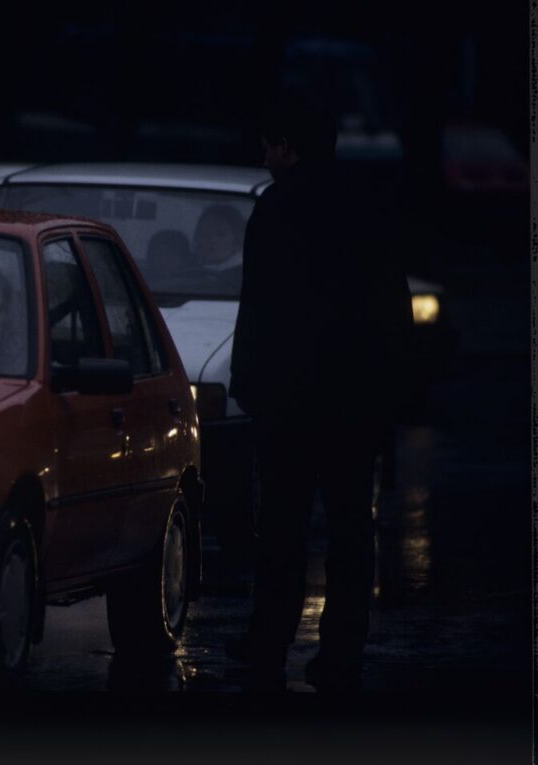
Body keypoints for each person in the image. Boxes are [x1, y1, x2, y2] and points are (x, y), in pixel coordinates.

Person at [226, 88, 413, 692]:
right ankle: (341, 651)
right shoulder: (369, 209)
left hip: (289, 404)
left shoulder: (276, 212)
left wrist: (249, 384)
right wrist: (392, 395)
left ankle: (268, 642)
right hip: (355, 404)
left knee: (281, 528)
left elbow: (258, 310)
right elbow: (393, 309)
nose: (263, 155)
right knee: (351, 529)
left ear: (287, 147)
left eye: (268, 143)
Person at [192, 203, 246, 293]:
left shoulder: (241, 276)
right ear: (197, 238)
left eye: (222, 234)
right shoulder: (186, 270)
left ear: (236, 239)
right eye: (205, 234)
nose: (212, 240)